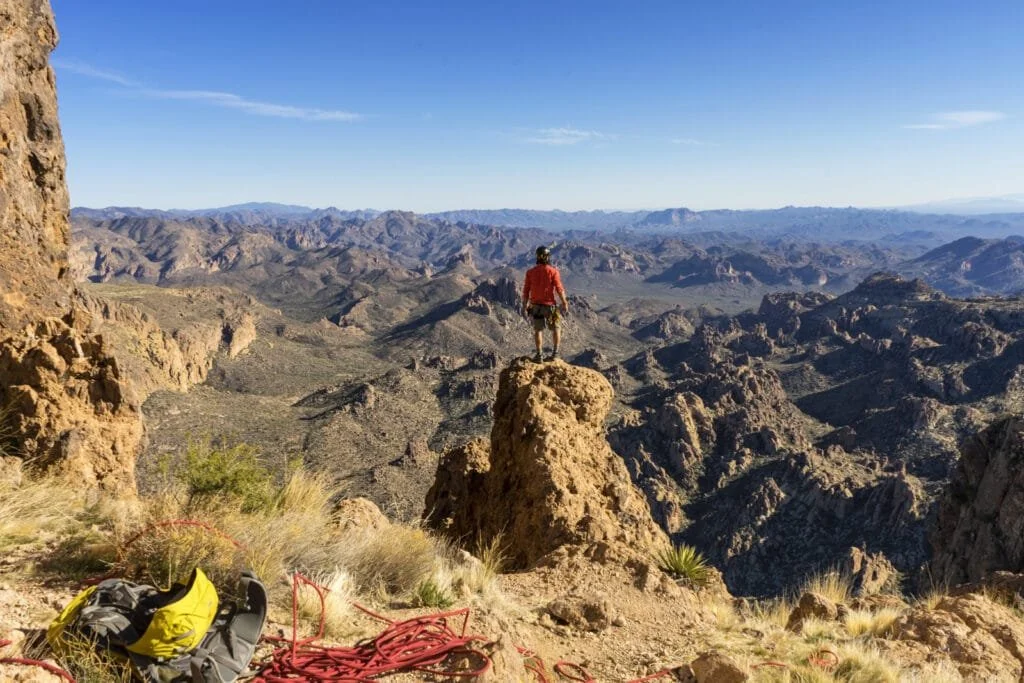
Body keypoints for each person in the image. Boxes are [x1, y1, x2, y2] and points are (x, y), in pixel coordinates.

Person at [521, 246, 569, 362]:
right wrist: (564, 302)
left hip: (536, 306)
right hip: (550, 306)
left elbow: (526, 291)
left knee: (538, 330)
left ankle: (539, 355)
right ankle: (555, 353)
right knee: (556, 328)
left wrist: (524, 306)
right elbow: (559, 289)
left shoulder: (530, 272)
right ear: (548, 257)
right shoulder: (553, 271)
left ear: (537, 257)